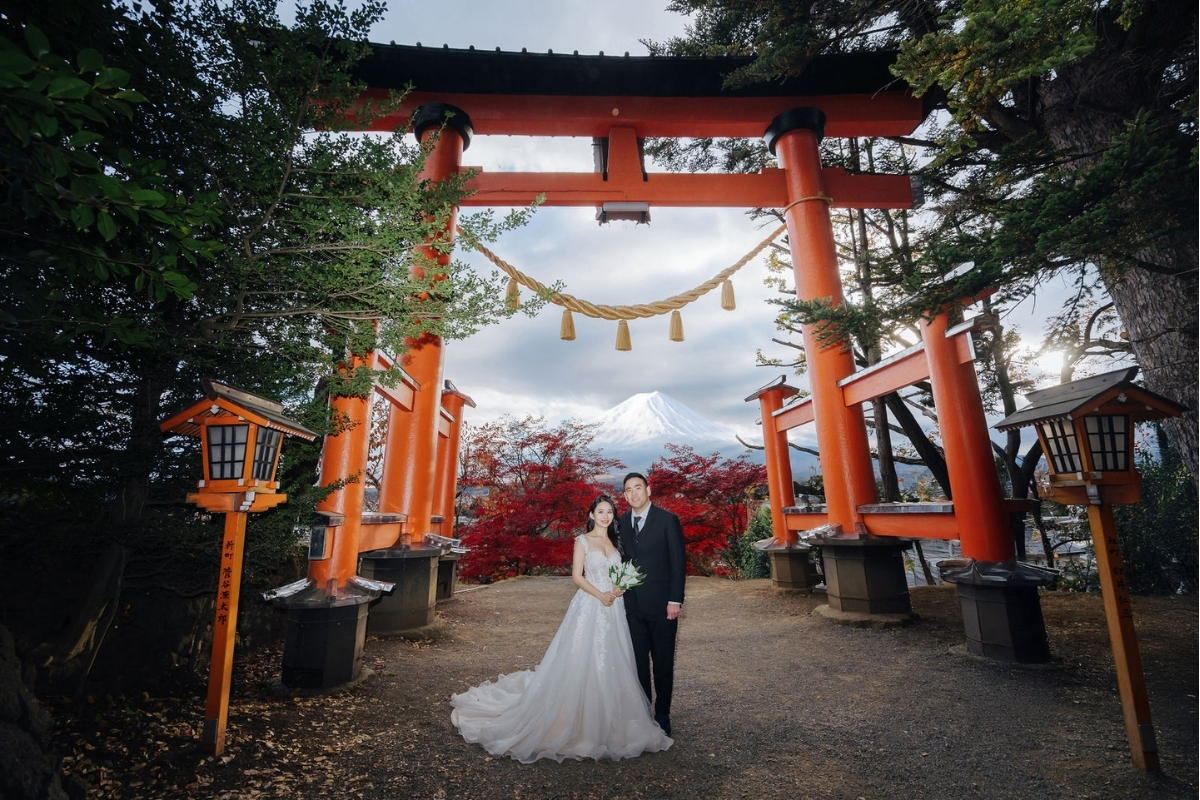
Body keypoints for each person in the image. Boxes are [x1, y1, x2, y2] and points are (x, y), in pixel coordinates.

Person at [449, 495, 672, 763]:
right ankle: (572, 719)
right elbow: (577, 577)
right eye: (600, 512)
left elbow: (622, 572)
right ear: (591, 515)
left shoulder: (616, 542)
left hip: (614, 609)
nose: (605, 516)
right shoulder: (582, 541)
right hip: (590, 605)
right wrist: (600, 595)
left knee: (614, 659)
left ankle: (612, 718)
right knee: (580, 658)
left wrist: (619, 587)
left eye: (609, 512)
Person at [618, 471, 686, 736]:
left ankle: (663, 714)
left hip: (662, 606)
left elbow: (678, 563)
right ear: (624, 496)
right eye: (627, 490)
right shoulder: (621, 522)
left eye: (638, 487)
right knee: (637, 663)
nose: (633, 493)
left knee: (663, 663)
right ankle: (643, 711)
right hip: (632, 607)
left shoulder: (668, 520)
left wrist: (674, 600)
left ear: (648, 490)